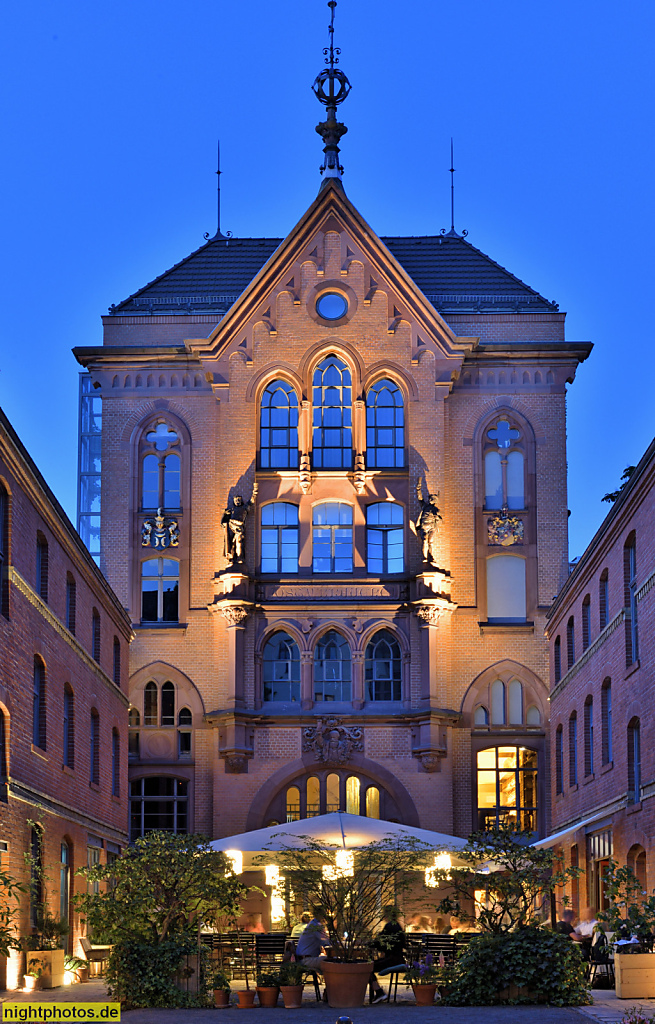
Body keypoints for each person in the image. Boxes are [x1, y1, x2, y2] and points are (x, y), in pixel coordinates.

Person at [294, 908, 331, 972]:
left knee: (329, 959)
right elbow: (326, 942)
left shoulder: (313, 924)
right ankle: (334, 981)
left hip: (303, 958)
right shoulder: (316, 926)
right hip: (307, 960)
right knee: (333, 961)